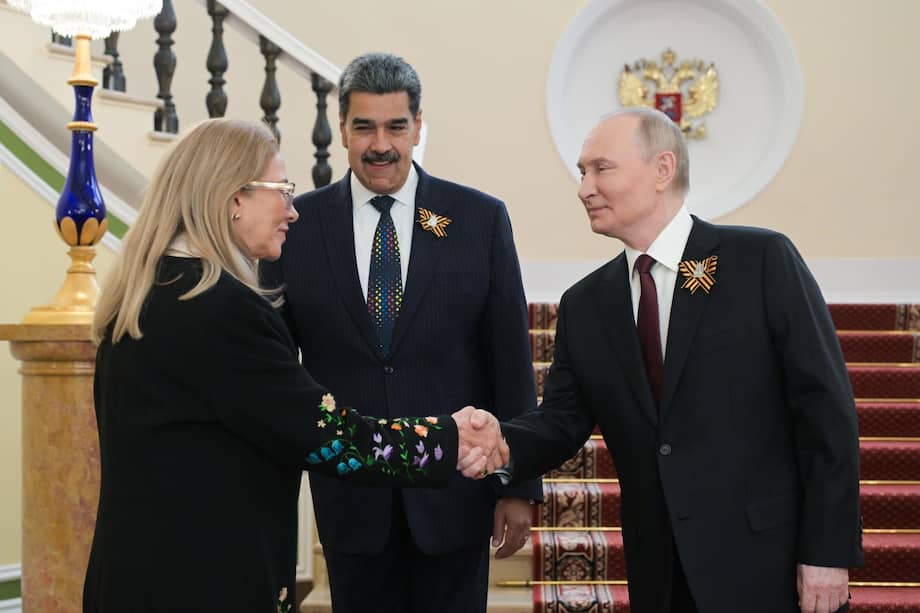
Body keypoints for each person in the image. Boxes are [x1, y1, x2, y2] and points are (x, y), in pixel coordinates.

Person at [84, 118, 507, 613]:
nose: (292, 211)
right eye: (281, 191)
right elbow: (327, 438)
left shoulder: (152, 294)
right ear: (233, 197)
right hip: (203, 581)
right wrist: (450, 440)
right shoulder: (219, 309)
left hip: (141, 576)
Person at [496, 108, 863, 613]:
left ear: (662, 170)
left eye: (601, 169)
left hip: (769, 566)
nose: (584, 188)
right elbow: (560, 423)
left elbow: (827, 415)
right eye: (582, 172)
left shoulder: (760, 261)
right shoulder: (585, 304)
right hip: (660, 573)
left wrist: (828, 552)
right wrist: (489, 444)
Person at [260, 52, 542, 613]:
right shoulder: (296, 225)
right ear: (342, 129)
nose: (380, 143)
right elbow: (273, 373)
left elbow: (510, 360)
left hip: (455, 500)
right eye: (364, 126)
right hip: (351, 502)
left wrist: (516, 485)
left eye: (395, 125)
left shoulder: (478, 219)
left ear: (418, 127)